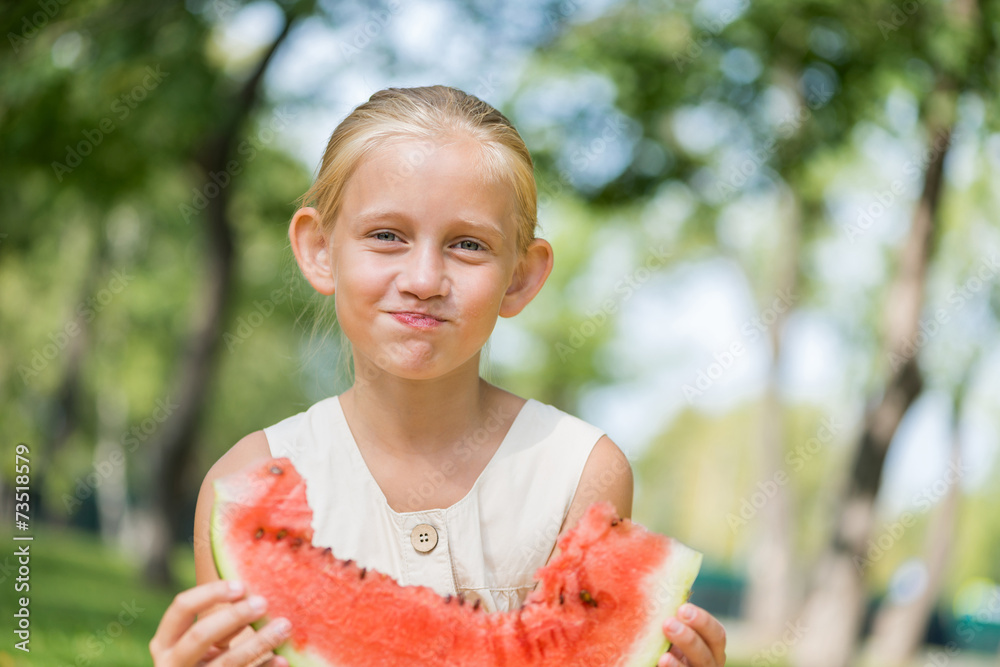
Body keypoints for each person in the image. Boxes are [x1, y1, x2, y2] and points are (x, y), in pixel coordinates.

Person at [150, 85, 726, 667]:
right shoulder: (247, 482)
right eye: (387, 236)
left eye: (467, 245)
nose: (424, 278)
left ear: (522, 278)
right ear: (320, 249)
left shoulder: (580, 471)